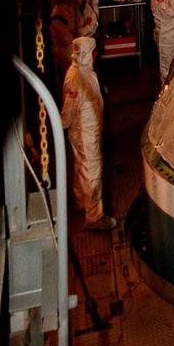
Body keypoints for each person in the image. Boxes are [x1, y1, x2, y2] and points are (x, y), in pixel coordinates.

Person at [60, 36, 116, 232]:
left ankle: (82, 200)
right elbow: (68, 112)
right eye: (93, 51)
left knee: (81, 167)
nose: (96, 54)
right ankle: (94, 216)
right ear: (86, 54)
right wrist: (61, 125)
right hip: (85, 134)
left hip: (86, 131)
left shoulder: (83, 72)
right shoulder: (77, 78)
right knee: (92, 171)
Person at [49, 0, 100, 86]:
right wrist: (83, 30)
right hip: (67, 55)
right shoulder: (58, 14)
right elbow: (68, 38)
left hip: (86, 46)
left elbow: (93, 15)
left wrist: (90, 25)